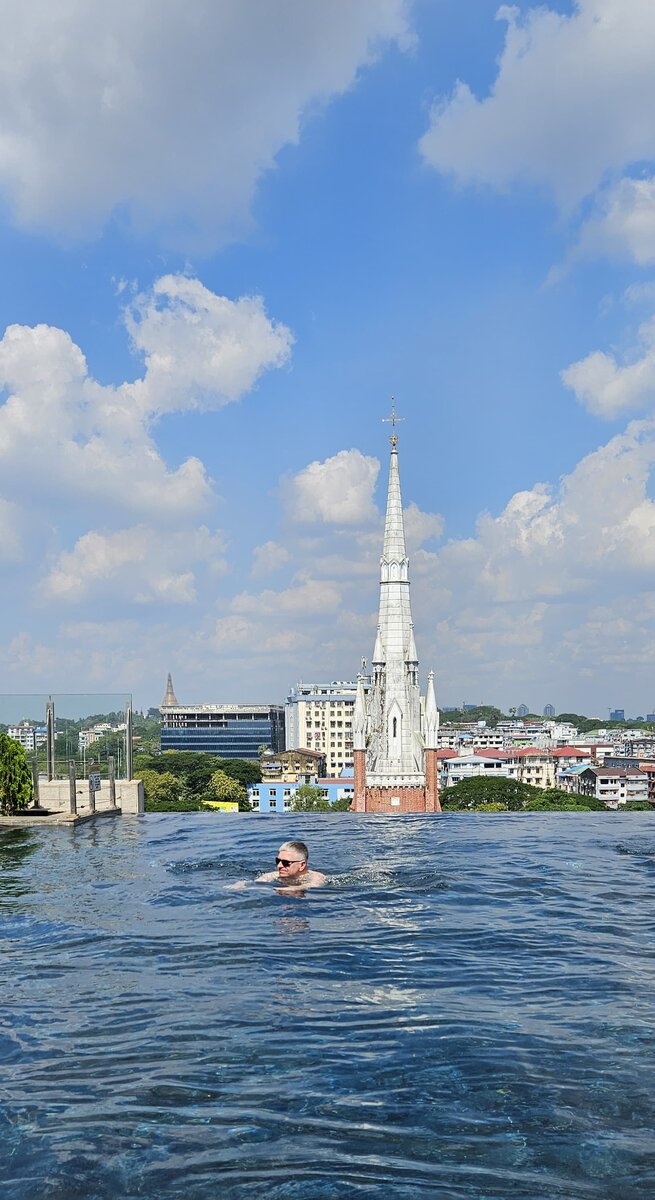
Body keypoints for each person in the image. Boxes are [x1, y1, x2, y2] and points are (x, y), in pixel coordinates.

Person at [256, 840, 326, 889]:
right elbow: (257, 883)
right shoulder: (274, 875)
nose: (279, 866)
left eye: (285, 863)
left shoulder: (317, 878)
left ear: (302, 865)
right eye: (278, 861)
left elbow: (304, 887)